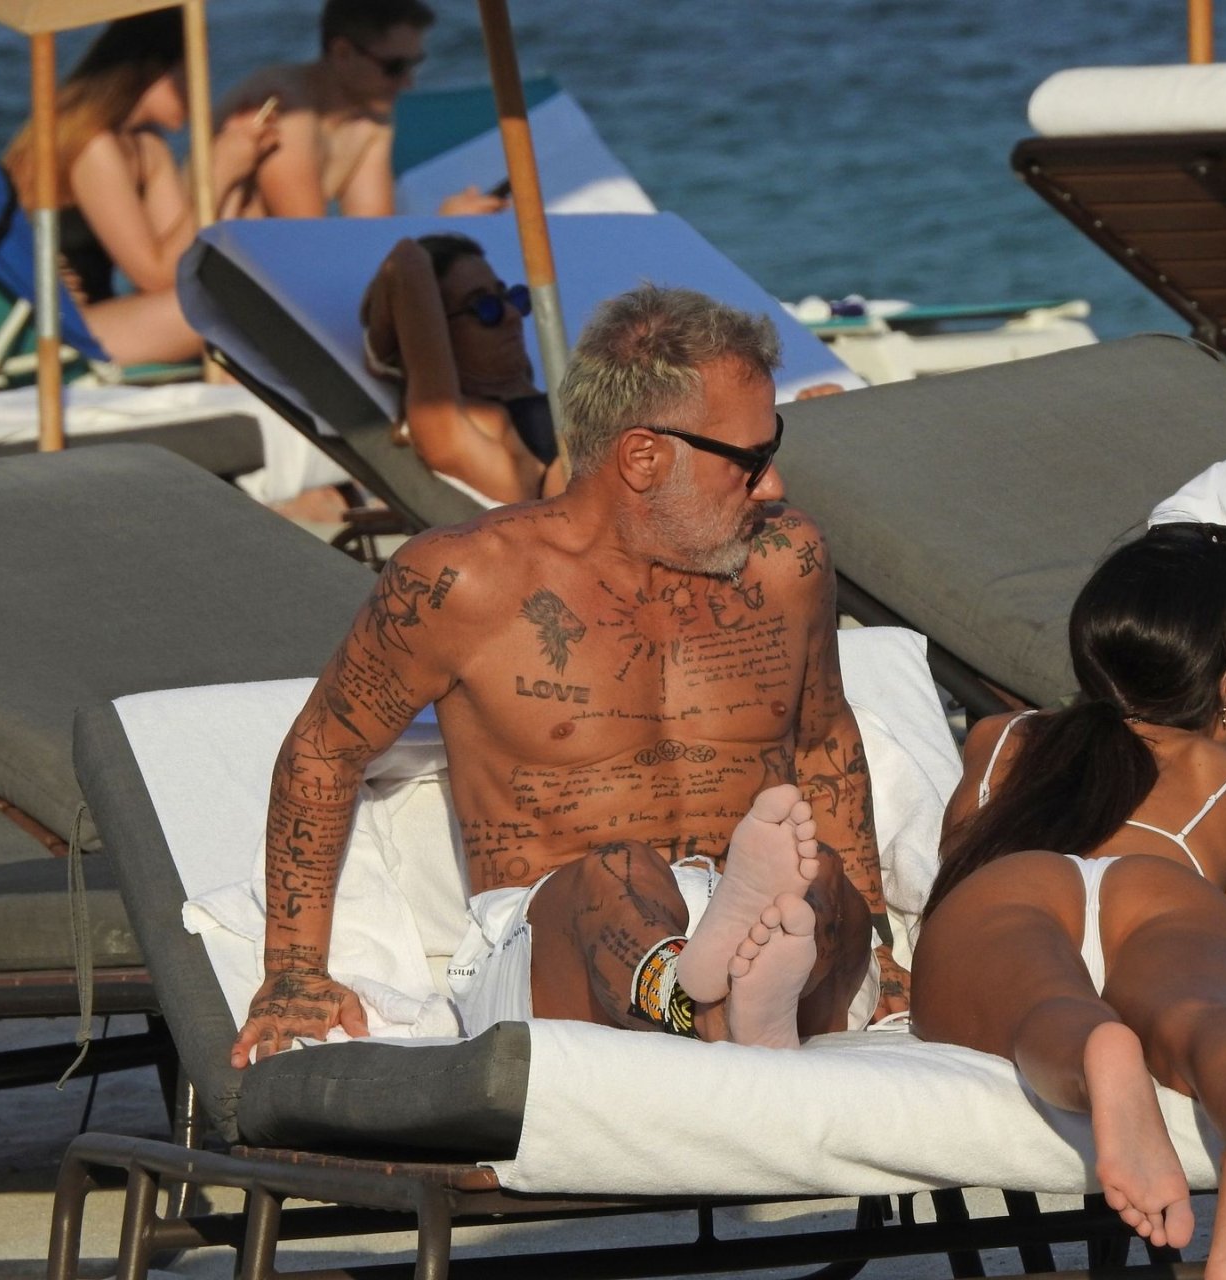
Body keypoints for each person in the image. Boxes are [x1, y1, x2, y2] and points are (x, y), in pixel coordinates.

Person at [230, 284, 910, 1069]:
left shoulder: (785, 560)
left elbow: (823, 746)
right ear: (643, 457)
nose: (774, 487)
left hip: (765, 938)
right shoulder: (464, 584)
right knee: (615, 875)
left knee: (815, 879)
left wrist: (876, 946)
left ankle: (736, 997)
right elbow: (324, 751)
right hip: (556, 958)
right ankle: (704, 1003)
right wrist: (293, 971)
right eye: (749, 462)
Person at [911, 523, 1226, 1280]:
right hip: (1158, 889)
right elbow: (1181, 945)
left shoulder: (999, 737)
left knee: (1040, 1005)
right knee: (1203, 1013)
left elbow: (957, 879)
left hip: (1013, 887)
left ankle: (1095, 1049)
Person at [1, 11, 278, 365]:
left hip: (100, 315)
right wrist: (218, 171)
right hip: (51, 328)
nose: (201, 86)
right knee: (218, 306)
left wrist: (234, 168)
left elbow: (187, 258)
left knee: (235, 295)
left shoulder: (148, 147)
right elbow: (154, 276)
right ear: (156, 70)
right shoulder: (92, 144)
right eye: (191, 70)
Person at [220, 0, 499, 219]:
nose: (408, 83)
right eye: (395, 67)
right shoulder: (288, 106)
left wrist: (447, 226)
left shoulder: (370, 119)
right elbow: (307, 237)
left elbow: (373, 232)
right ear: (342, 53)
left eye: (413, 65)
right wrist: (440, 227)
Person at [361, 234, 564, 504]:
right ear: (439, 330)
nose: (513, 315)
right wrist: (384, 355)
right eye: (486, 308)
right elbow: (407, 260)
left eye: (510, 297)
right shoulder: (462, 423)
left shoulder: (561, 396)